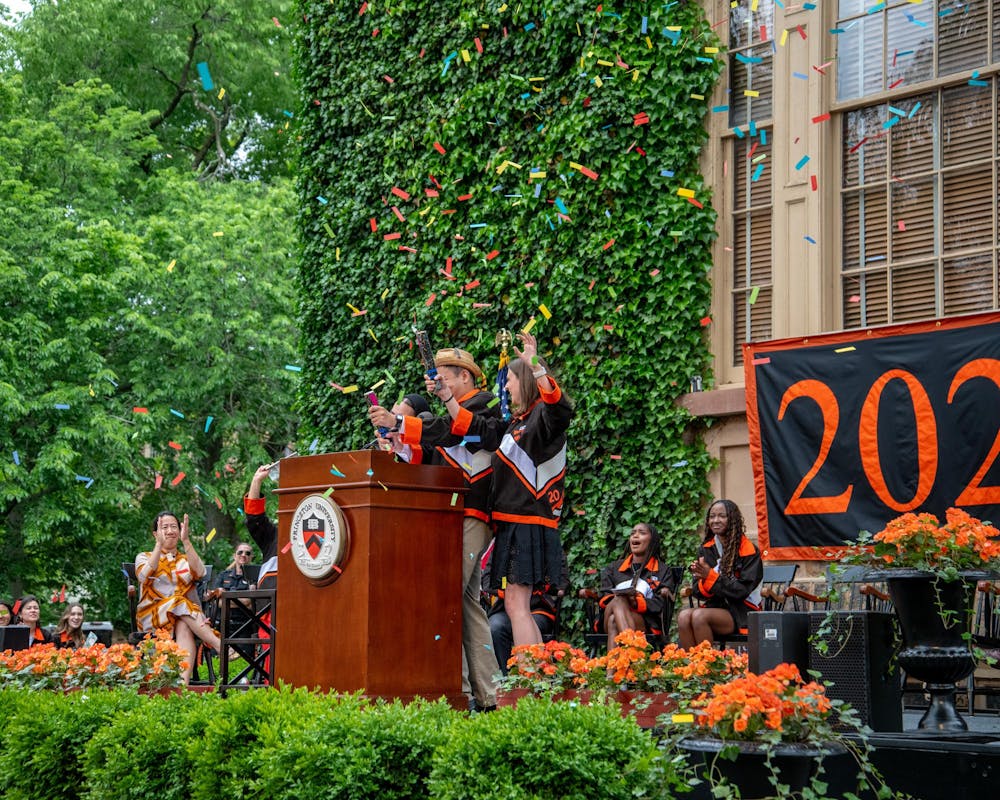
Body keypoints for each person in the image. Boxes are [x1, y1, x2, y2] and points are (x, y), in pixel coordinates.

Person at [369, 352, 506, 712]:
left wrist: (399, 422)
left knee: (443, 597)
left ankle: (453, 690)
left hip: (471, 512)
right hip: (447, 514)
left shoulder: (487, 404)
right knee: (465, 603)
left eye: (442, 378)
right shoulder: (452, 411)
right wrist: (397, 438)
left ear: (464, 376)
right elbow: (428, 454)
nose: (437, 386)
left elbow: (450, 431)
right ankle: (489, 694)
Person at [488, 331, 574, 653]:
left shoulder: (542, 417)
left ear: (525, 380)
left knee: (516, 606)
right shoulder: (517, 422)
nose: (506, 387)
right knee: (515, 606)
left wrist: (535, 365)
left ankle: (528, 681)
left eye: (510, 380)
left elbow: (560, 409)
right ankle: (537, 677)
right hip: (515, 523)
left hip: (527, 523)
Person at [135, 510, 223, 684]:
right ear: (155, 533)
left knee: (183, 623)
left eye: (173, 526)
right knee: (179, 600)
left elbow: (201, 572)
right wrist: (158, 546)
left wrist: (186, 541)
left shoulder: (183, 559)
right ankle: (219, 645)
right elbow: (143, 577)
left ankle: (182, 686)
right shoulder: (144, 557)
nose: (169, 531)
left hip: (182, 616)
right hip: (151, 616)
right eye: (164, 527)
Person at [677, 499, 763, 648]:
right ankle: (690, 667)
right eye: (712, 516)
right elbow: (698, 592)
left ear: (733, 519)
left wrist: (710, 576)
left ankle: (708, 666)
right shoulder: (706, 549)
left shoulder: (748, 550)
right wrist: (704, 579)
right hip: (717, 607)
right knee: (684, 616)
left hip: (743, 611)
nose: (715, 520)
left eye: (722, 516)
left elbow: (741, 591)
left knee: (698, 616)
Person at [481, 541, 569, 674]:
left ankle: (532, 675)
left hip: (538, 609)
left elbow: (562, 583)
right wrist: (509, 589)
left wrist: (536, 585)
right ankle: (506, 677)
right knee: (496, 627)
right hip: (506, 609)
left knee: (531, 623)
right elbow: (487, 580)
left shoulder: (551, 547)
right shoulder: (503, 546)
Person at [598, 522, 676, 650]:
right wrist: (628, 600)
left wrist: (637, 602)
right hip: (608, 615)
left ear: (652, 540)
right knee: (619, 600)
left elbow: (660, 603)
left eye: (642, 533)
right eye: (633, 533)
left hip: (644, 622)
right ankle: (633, 650)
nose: (635, 536)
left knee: (614, 621)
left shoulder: (662, 570)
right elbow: (604, 596)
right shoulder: (614, 568)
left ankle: (615, 668)